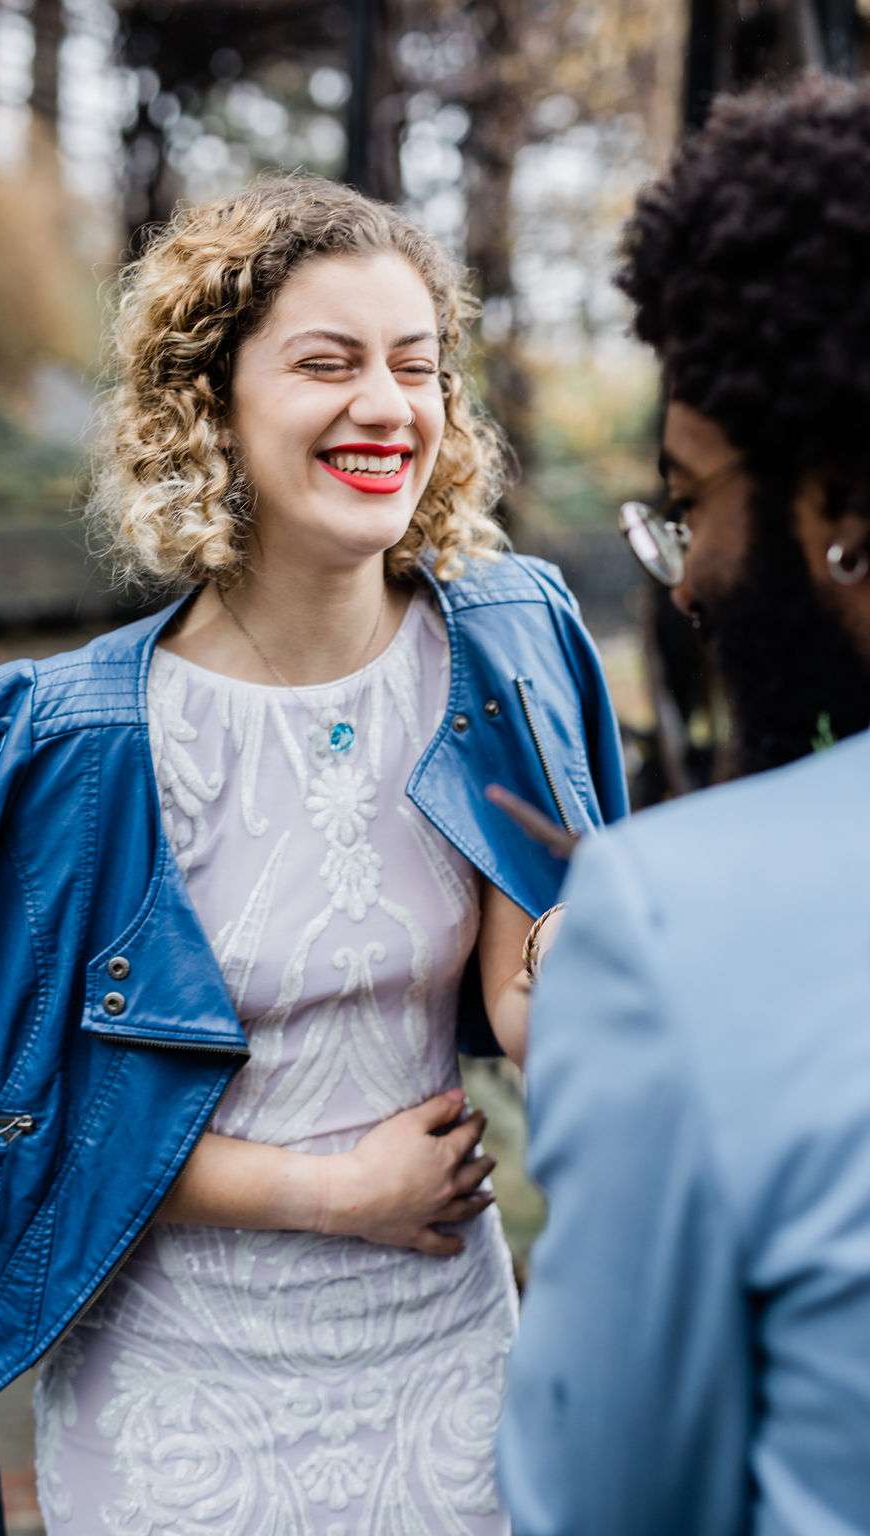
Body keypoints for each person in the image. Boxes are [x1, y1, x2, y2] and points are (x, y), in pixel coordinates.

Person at [0, 176, 627, 1536]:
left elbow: (534, 1008)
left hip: (450, 1373)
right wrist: (332, 1193)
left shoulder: (507, 644)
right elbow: (27, 1127)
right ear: (210, 405)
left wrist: (589, 975)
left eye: (416, 365)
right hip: (178, 1403)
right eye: (327, 364)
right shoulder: (71, 739)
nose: (386, 405)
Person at [497, 74, 870, 1536]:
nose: (692, 573)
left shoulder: (670, 923)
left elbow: (606, 1503)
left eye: (693, 499)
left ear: (843, 510)